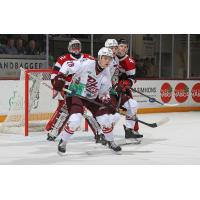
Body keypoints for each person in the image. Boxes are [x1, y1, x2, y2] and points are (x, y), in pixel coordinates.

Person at [53, 47, 121, 154]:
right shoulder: (86, 63)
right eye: (105, 58)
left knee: (105, 120)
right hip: (76, 94)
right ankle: (63, 142)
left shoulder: (107, 72)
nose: (108, 61)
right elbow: (67, 64)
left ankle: (111, 142)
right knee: (75, 119)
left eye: (110, 59)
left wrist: (106, 100)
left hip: (92, 97)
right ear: (99, 58)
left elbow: (103, 91)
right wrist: (61, 77)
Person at [46, 39, 95, 141]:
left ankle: (100, 132)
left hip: (84, 88)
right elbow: (55, 74)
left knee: (88, 111)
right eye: (73, 46)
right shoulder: (63, 59)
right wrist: (57, 85)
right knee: (65, 110)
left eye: (78, 45)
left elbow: (95, 73)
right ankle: (54, 132)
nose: (76, 48)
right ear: (69, 48)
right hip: (67, 88)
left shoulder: (88, 58)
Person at [105, 39, 143, 141]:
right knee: (113, 110)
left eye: (125, 47)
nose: (122, 48)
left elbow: (132, 78)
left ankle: (132, 130)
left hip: (122, 87)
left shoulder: (129, 61)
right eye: (121, 46)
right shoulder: (110, 57)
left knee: (132, 106)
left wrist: (126, 83)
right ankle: (105, 133)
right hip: (109, 88)